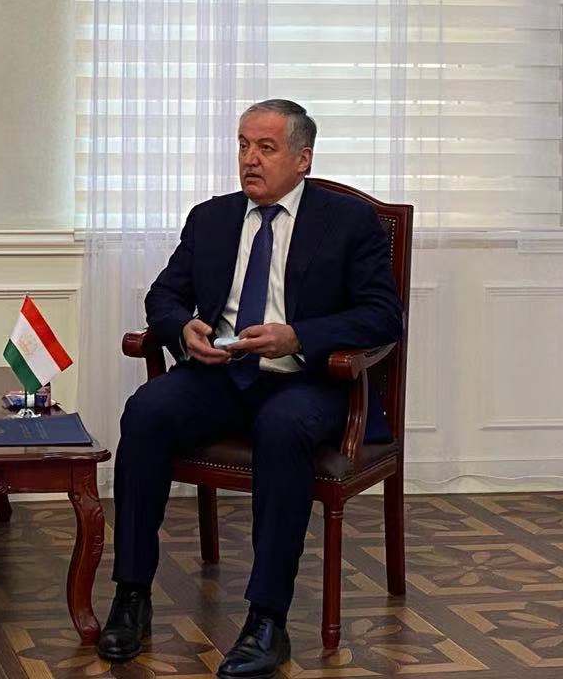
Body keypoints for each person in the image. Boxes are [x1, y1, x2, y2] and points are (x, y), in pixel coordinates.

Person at [98, 99, 402, 677]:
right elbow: (164, 295)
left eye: (266, 148)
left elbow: (383, 316)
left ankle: (268, 620)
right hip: (221, 375)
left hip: (304, 381)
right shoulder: (211, 218)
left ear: (303, 159)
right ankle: (131, 595)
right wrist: (181, 329)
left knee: (282, 427)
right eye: (243, 145)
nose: (250, 160)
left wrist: (298, 336)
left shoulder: (348, 222)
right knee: (147, 410)